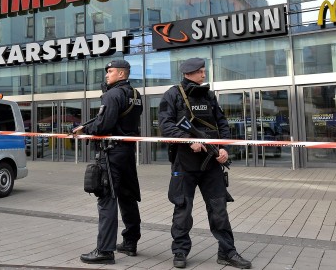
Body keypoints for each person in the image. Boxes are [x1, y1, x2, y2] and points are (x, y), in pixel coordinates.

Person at [158, 58, 252, 269]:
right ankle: (180, 251)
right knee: (182, 210)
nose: (204, 74)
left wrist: (225, 148)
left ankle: (227, 252)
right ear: (188, 73)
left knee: (219, 209)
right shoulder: (172, 95)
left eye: (203, 70)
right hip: (185, 164)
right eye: (200, 71)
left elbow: (221, 123)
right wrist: (189, 140)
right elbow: (165, 126)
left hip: (211, 164)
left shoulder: (209, 95)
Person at [73, 59, 143, 265]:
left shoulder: (112, 95)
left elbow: (104, 124)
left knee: (107, 199)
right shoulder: (136, 95)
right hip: (128, 153)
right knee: (128, 196)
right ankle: (130, 242)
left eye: (110, 71)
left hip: (111, 153)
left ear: (121, 74)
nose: (106, 75)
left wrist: (85, 129)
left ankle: (105, 250)